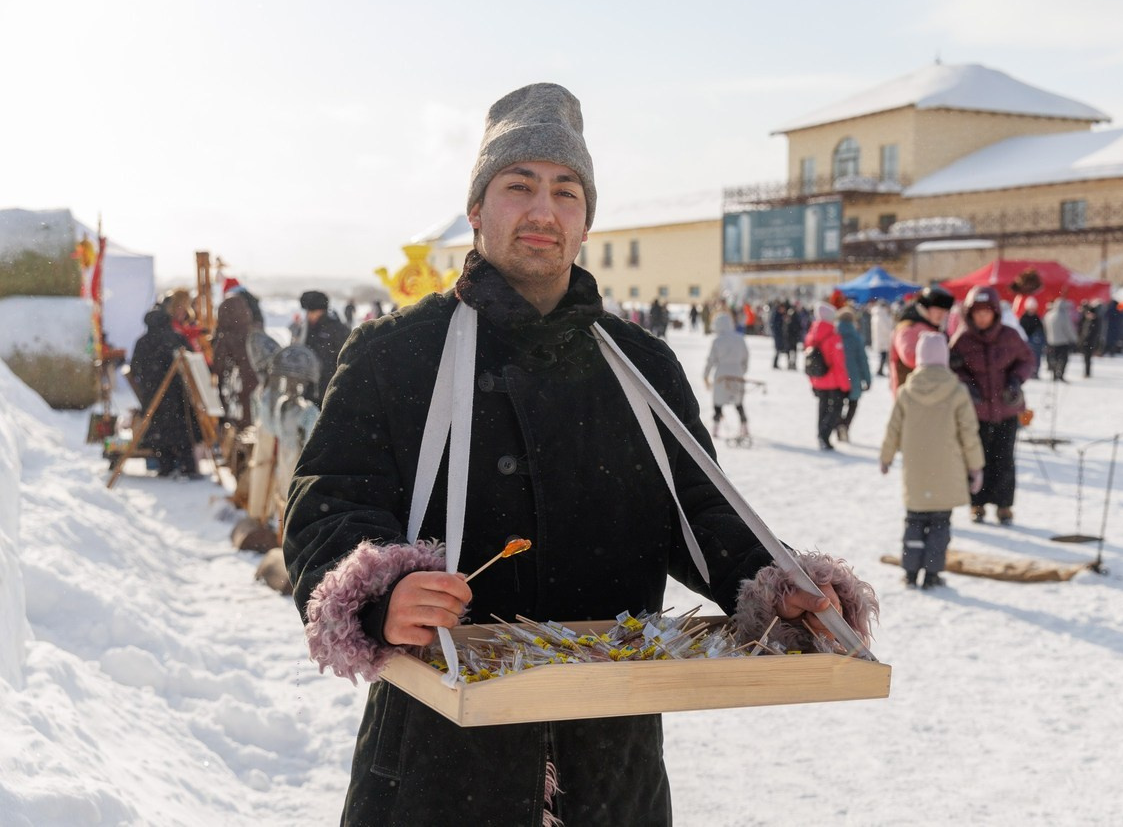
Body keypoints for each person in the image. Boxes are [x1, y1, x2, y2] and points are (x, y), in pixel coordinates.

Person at [283, 82, 877, 826]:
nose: (543, 210)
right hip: (435, 763)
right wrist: (379, 595)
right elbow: (326, 503)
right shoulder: (396, 353)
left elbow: (700, 513)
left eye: (567, 192)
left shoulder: (641, 366)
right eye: (518, 186)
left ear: (586, 219)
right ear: (477, 211)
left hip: (612, 767)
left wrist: (772, 581)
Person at [879, 332, 984, 589]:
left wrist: (886, 456)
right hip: (946, 471)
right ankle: (933, 574)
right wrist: (976, 466)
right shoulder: (957, 392)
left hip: (916, 470)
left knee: (914, 520)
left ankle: (911, 571)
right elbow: (968, 432)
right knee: (939, 524)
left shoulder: (906, 392)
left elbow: (893, 428)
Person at [949, 286, 1035, 525]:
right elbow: (953, 367)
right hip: (976, 412)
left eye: (986, 312)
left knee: (1004, 458)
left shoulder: (1010, 335)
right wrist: (967, 384)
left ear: (995, 312)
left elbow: (1027, 359)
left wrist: (1016, 380)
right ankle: (977, 503)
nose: (982, 317)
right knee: (978, 459)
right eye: (977, 312)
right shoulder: (963, 339)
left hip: (1007, 409)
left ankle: (1005, 505)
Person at [130, 307, 201, 478]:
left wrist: (149, 381)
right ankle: (187, 465)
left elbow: (135, 368)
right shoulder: (176, 338)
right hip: (178, 395)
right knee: (182, 430)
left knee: (159, 431)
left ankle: (165, 464)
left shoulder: (143, 342)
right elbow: (192, 363)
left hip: (154, 395)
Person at [889, 286, 955, 396]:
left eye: (945, 311)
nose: (942, 314)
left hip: (926, 392)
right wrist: (946, 359)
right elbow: (910, 356)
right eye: (938, 309)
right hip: (911, 394)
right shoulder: (908, 328)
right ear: (925, 307)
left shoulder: (932, 327)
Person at [804, 301, 851, 450]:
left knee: (822, 407)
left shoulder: (812, 334)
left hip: (818, 378)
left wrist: (812, 381)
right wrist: (846, 385)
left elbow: (809, 360)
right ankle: (824, 435)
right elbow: (839, 364)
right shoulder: (833, 336)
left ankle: (820, 434)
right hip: (833, 381)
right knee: (835, 409)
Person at [210, 293, 258, 430]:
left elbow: (217, 368)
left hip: (235, 392)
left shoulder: (224, 338)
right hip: (252, 388)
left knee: (239, 427)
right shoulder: (253, 333)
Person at [298, 290, 350, 407]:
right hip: (310, 385)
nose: (308, 315)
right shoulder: (307, 327)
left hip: (329, 387)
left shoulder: (337, 329)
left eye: (310, 312)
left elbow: (348, 358)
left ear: (320, 310)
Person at [704, 311, 749, 439]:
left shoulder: (717, 341)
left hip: (721, 375)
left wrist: (705, 375)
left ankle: (716, 428)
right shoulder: (740, 338)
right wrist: (741, 371)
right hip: (737, 374)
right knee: (738, 403)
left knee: (718, 403)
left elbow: (710, 360)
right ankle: (744, 427)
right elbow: (746, 358)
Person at [835, 306, 872, 442]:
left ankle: (839, 424)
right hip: (853, 377)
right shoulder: (856, 338)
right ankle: (845, 424)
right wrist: (867, 379)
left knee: (837, 405)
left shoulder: (834, 335)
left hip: (838, 377)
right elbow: (863, 360)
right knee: (853, 403)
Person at [1043, 298, 1077, 382]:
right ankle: (1060, 375)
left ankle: (1054, 374)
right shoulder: (1063, 316)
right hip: (1062, 341)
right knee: (1063, 359)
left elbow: (1045, 328)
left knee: (1054, 358)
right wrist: (1073, 339)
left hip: (1051, 341)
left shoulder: (1048, 315)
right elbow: (1068, 329)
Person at [1018, 300, 1046, 379]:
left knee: (1037, 359)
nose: (1032, 310)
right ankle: (1029, 373)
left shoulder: (1037, 318)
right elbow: (1021, 331)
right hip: (1027, 342)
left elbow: (1041, 329)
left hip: (1037, 343)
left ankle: (1035, 372)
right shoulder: (1023, 318)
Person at [1078, 301, 1103, 377]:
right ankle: (1087, 372)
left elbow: (1090, 333)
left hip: (1089, 342)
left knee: (1087, 358)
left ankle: (1087, 372)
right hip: (1087, 342)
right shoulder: (1087, 321)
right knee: (1086, 358)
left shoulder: (1093, 322)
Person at [870, 298, 893, 377]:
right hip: (884, 339)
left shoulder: (877, 315)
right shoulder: (882, 315)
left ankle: (881, 370)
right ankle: (882, 370)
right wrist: (892, 333)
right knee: (885, 356)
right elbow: (886, 328)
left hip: (881, 338)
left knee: (884, 355)